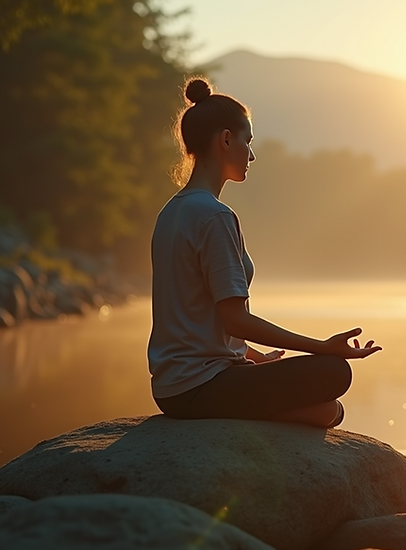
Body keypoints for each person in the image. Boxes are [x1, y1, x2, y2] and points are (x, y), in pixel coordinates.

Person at [148, 78, 382, 428]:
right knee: (334, 372)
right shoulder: (214, 216)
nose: (252, 155)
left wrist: (259, 360)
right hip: (202, 386)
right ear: (226, 139)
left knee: (326, 407)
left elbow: (196, 322)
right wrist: (323, 347)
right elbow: (235, 320)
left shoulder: (171, 212)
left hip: (171, 390)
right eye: (248, 141)